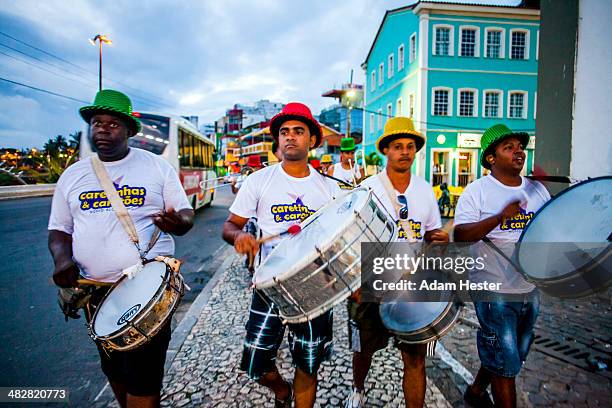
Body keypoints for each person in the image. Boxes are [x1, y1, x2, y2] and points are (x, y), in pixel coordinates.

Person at [48, 89, 194, 408]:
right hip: (96, 293)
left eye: (112, 123)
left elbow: (185, 213)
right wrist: (61, 260)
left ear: (129, 130)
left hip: (147, 290)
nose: (102, 128)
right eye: (97, 122)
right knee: (112, 366)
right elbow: (59, 229)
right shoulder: (73, 176)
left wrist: (178, 223)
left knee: (143, 375)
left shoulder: (156, 168)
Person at [222, 102, 341, 408]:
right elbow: (230, 225)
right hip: (269, 284)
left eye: (298, 131)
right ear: (277, 140)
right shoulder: (258, 181)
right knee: (255, 362)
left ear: (312, 140)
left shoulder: (329, 188)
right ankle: (281, 391)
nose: (290, 137)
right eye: (284, 132)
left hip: (315, 286)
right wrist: (240, 237)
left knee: (308, 363)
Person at [346, 117, 449, 408]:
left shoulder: (425, 190)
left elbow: (430, 234)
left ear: (415, 151)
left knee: (415, 358)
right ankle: (358, 388)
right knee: (363, 349)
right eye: (397, 146)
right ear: (386, 151)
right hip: (370, 282)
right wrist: (354, 282)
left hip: (412, 284)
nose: (404, 152)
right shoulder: (367, 189)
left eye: (410, 146)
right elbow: (350, 239)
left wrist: (437, 240)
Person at [454, 124, 550, 408]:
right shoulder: (478, 191)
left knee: (512, 353)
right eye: (508, 147)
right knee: (505, 359)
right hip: (492, 289)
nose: (518, 151)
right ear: (491, 158)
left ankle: (474, 393)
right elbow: (460, 235)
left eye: (519, 147)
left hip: (529, 288)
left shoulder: (537, 190)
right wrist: (499, 217)